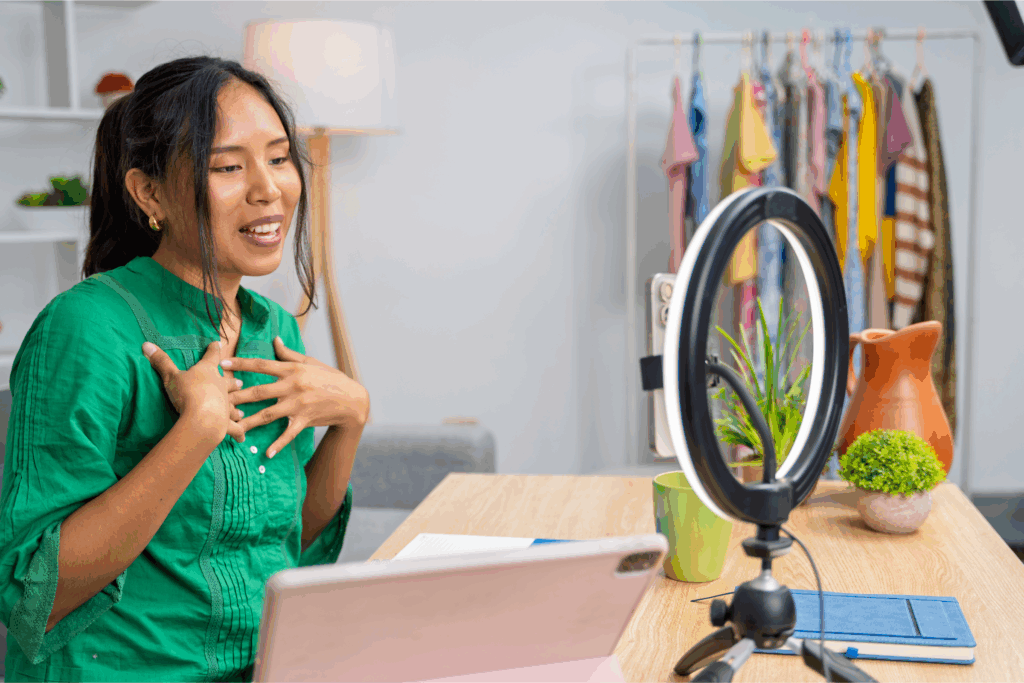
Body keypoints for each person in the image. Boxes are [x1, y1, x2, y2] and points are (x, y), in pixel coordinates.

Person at [0, 56, 370, 682]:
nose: (268, 188)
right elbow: (35, 592)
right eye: (228, 166)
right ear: (149, 193)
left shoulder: (272, 328)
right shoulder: (87, 330)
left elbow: (281, 550)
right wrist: (196, 427)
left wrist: (351, 419)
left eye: (279, 158)